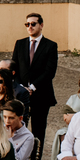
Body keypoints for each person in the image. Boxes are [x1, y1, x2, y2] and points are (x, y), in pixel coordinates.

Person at [12, 12, 58, 145]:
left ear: (41, 25)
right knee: (19, 130)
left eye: (33, 24)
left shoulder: (50, 46)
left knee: (38, 132)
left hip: (41, 95)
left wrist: (32, 87)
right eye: (27, 24)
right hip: (21, 95)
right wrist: (22, 88)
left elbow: (50, 72)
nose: (30, 27)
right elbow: (14, 69)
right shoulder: (20, 44)